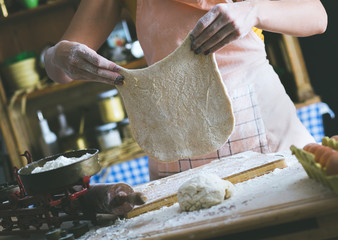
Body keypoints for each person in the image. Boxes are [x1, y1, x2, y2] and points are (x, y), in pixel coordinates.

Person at [44, 0, 328, 180]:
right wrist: (56, 55)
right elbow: (59, 72)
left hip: (267, 135)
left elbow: (317, 15)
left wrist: (254, 10)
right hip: (178, 151)